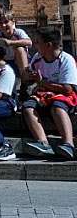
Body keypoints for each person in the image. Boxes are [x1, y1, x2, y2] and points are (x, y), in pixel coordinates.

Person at [21, 26, 77, 159]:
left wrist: (42, 83)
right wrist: (28, 75)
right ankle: (43, 142)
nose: (35, 45)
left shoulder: (66, 60)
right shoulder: (37, 57)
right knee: (28, 107)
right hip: (43, 94)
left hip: (64, 95)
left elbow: (68, 89)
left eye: (38, 42)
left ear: (48, 45)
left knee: (57, 107)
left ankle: (68, 144)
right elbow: (28, 75)